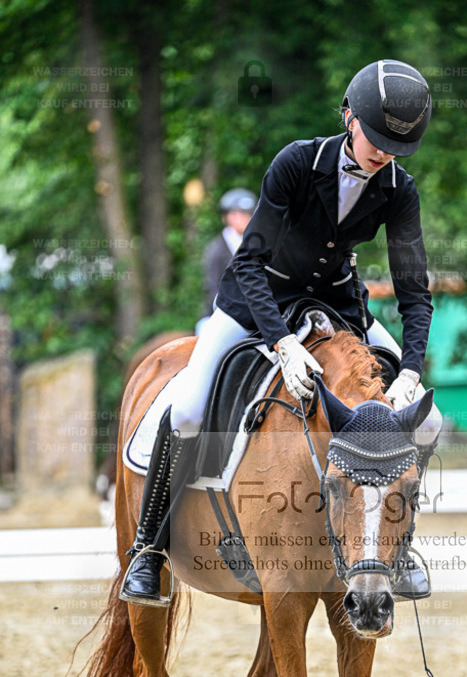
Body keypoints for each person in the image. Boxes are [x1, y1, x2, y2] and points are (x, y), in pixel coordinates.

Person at [121, 59, 441, 606]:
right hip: (254, 303)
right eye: (379, 139)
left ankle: (400, 548)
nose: (385, 153)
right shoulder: (296, 162)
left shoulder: (398, 188)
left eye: (397, 146)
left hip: (339, 308)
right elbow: (248, 263)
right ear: (349, 117)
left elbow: (414, 290)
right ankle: (149, 551)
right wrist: (282, 343)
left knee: (428, 420)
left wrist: (410, 368)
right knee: (191, 407)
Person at [197, 187, 257, 332]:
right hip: (219, 314)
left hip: (258, 314)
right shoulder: (216, 250)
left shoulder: (259, 244)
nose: (242, 219)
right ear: (226, 217)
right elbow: (213, 289)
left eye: (247, 214)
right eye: (235, 214)